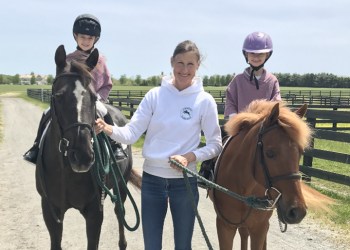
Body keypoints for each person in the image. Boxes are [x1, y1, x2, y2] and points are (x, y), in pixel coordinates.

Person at [95, 40, 222, 250]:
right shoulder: (154, 95)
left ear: (198, 65)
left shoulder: (204, 101)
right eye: (180, 63)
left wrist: (189, 157)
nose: (184, 69)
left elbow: (215, 144)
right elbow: (131, 133)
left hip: (185, 183)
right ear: (172, 62)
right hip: (153, 182)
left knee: (183, 246)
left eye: (190, 64)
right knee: (151, 246)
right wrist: (108, 129)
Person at [23, 13, 124, 164]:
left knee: (105, 111)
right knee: (47, 112)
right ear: (75, 36)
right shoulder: (69, 59)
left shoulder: (100, 60)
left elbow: (107, 83)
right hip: (72, 99)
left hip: (93, 99)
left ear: (95, 39)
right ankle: (36, 147)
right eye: (83, 37)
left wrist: (97, 98)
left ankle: (116, 145)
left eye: (90, 38)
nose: (86, 41)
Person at [198, 31, 282, 185]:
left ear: (267, 55)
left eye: (260, 54)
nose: (256, 57)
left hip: (263, 127)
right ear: (246, 55)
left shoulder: (272, 81)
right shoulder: (237, 80)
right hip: (239, 124)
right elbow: (230, 99)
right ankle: (207, 170)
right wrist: (233, 117)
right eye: (252, 54)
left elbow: (276, 102)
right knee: (219, 137)